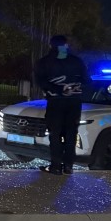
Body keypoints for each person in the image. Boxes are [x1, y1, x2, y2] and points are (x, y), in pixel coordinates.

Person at [34, 35, 90, 175]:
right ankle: (68, 166)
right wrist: (75, 88)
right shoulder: (76, 61)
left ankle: (56, 166)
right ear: (65, 45)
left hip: (55, 102)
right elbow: (87, 80)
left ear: (51, 46)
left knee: (55, 134)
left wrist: (58, 89)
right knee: (71, 134)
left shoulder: (45, 62)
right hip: (74, 103)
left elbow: (41, 81)